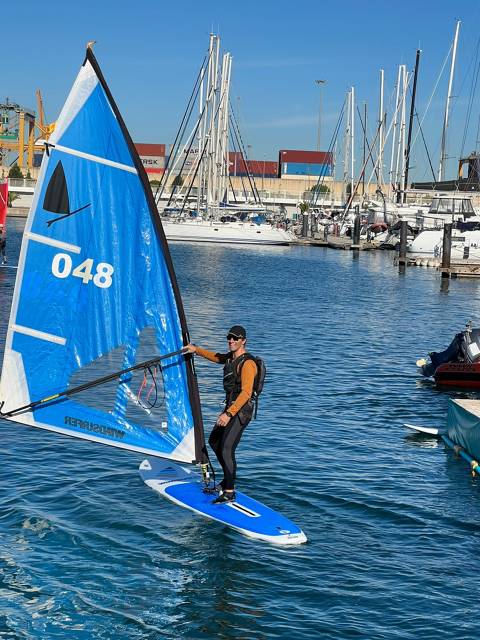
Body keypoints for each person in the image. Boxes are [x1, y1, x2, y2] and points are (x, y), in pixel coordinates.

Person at [185, 325, 258, 504]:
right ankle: (227, 480)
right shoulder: (230, 358)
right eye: (229, 338)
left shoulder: (248, 363)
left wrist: (229, 414)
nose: (231, 341)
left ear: (243, 341)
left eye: (235, 338)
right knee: (214, 441)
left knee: (226, 448)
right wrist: (195, 350)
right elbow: (216, 357)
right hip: (230, 409)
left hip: (240, 412)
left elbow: (246, 393)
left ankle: (230, 491)